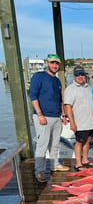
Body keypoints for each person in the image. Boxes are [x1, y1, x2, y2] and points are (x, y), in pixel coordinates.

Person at [30, 53, 70, 183]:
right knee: (42, 145)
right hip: (43, 117)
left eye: (57, 63)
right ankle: (40, 171)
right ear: (47, 63)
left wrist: (63, 115)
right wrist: (40, 115)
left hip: (56, 117)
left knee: (55, 144)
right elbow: (33, 96)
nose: (55, 65)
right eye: (52, 63)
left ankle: (54, 165)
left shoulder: (57, 80)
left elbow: (60, 100)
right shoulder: (39, 76)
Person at [64, 65, 93, 171]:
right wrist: (72, 122)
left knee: (88, 140)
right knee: (79, 142)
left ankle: (85, 160)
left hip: (91, 122)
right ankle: (78, 163)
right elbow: (67, 106)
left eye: (82, 74)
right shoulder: (70, 89)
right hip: (80, 123)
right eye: (77, 74)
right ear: (74, 76)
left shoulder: (89, 88)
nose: (80, 76)